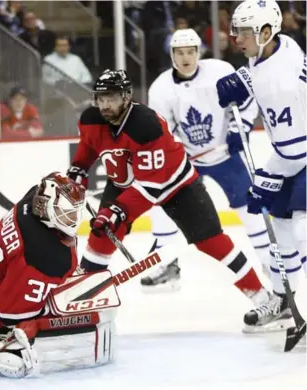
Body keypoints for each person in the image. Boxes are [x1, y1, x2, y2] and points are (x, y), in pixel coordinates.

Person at [68, 69, 270, 329]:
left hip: (176, 184)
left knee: (212, 242)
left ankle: (264, 298)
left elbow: (152, 185)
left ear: (127, 97)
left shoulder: (145, 124)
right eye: (100, 98)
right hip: (126, 182)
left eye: (112, 98)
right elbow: (88, 149)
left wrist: (116, 210)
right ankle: (84, 299)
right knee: (102, 234)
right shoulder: (90, 119)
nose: (105, 105)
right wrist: (78, 171)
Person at [0, 172, 115, 377]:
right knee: (63, 316)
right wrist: (54, 305)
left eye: (74, 214)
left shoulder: (31, 199)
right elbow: (10, 314)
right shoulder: (47, 258)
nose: (72, 222)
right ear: (46, 208)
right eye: (65, 214)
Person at [141, 28, 273, 292]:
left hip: (225, 155)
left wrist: (240, 127)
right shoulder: (160, 88)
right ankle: (168, 265)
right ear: (172, 55)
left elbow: (247, 99)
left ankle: (270, 263)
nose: (186, 57)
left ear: (199, 52)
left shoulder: (220, 71)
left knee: (251, 211)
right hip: (188, 163)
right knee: (164, 206)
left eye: (191, 51)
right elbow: (161, 129)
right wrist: (175, 149)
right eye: (180, 52)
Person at [216, 0, 306, 329]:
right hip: (295, 149)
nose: (235, 37)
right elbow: (259, 76)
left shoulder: (280, 83)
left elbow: (293, 153)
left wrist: (265, 180)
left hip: (299, 152)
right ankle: (285, 301)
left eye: (242, 31)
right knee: (280, 230)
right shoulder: (278, 47)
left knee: (302, 228)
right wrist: (243, 82)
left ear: (265, 32)